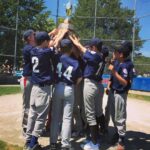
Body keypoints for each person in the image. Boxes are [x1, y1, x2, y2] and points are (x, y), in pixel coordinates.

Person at [69, 35, 104, 150]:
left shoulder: (95, 56)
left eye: (90, 47)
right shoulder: (100, 55)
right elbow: (82, 52)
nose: (88, 49)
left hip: (91, 84)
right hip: (95, 85)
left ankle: (94, 144)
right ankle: (96, 138)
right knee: (95, 112)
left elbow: (83, 50)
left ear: (94, 47)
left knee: (90, 114)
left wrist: (76, 42)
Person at [50, 38, 82, 150]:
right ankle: (65, 145)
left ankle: (53, 143)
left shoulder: (56, 57)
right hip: (69, 87)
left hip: (57, 86)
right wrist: (73, 84)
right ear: (71, 48)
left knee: (55, 117)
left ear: (61, 48)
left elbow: (53, 48)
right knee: (67, 118)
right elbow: (79, 78)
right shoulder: (75, 62)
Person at [107, 42, 135, 150]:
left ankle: (122, 141)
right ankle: (118, 134)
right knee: (113, 116)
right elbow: (112, 75)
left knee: (120, 117)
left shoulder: (128, 64)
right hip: (113, 92)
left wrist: (113, 71)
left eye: (116, 52)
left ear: (121, 54)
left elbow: (125, 83)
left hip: (120, 94)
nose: (114, 53)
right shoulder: (118, 62)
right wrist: (109, 86)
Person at [20, 29, 35, 136]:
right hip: (27, 79)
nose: (35, 35)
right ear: (29, 38)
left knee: (33, 104)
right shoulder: (28, 48)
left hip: (33, 79)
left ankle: (31, 127)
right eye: (33, 34)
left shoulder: (33, 47)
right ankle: (25, 128)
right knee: (27, 105)